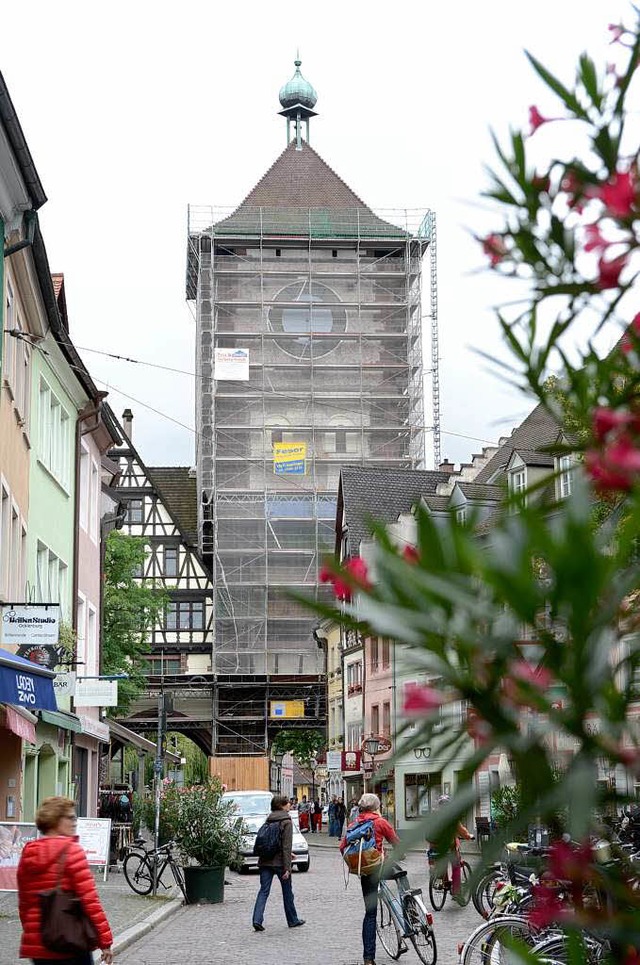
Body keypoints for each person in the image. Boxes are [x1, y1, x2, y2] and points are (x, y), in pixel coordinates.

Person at [17, 796, 113, 965]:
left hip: (39, 944)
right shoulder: (72, 851)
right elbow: (90, 901)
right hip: (70, 942)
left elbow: (24, 903)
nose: (74, 822)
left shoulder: (28, 853)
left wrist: (32, 932)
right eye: (70, 817)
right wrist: (104, 941)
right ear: (55, 820)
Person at [340, 792, 399, 965]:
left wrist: (359, 862)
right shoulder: (380, 822)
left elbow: (342, 847)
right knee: (402, 877)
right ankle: (410, 911)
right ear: (376, 807)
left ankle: (368, 959)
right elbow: (397, 843)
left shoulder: (353, 824)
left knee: (370, 914)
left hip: (365, 872)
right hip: (380, 868)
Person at [252, 794, 305, 931]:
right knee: (287, 892)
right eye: (288, 803)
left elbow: (272, 841)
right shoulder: (286, 821)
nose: (290, 805)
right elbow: (286, 846)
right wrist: (287, 868)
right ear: (282, 805)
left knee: (263, 891)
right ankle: (292, 920)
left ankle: (257, 919)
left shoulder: (269, 820)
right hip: (280, 862)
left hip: (265, 861)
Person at [433, 794, 474, 904]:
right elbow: (462, 832)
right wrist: (469, 836)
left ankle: (443, 881)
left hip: (436, 847)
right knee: (456, 867)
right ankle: (456, 892)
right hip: (449, 847)